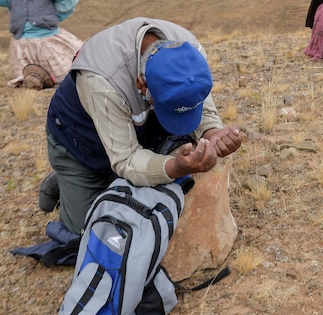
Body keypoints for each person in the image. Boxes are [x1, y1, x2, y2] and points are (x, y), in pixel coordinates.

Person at [40, 17, 242, 235]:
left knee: (149, 191)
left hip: (137, 125)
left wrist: (212, 133)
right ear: (141, 84)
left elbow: (197, 98)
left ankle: (106, 177)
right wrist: (176, 167)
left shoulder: (190, 54)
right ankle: (67, 177)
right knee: (92, 233)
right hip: (80, 141)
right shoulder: (103, 81)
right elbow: (126, 158)